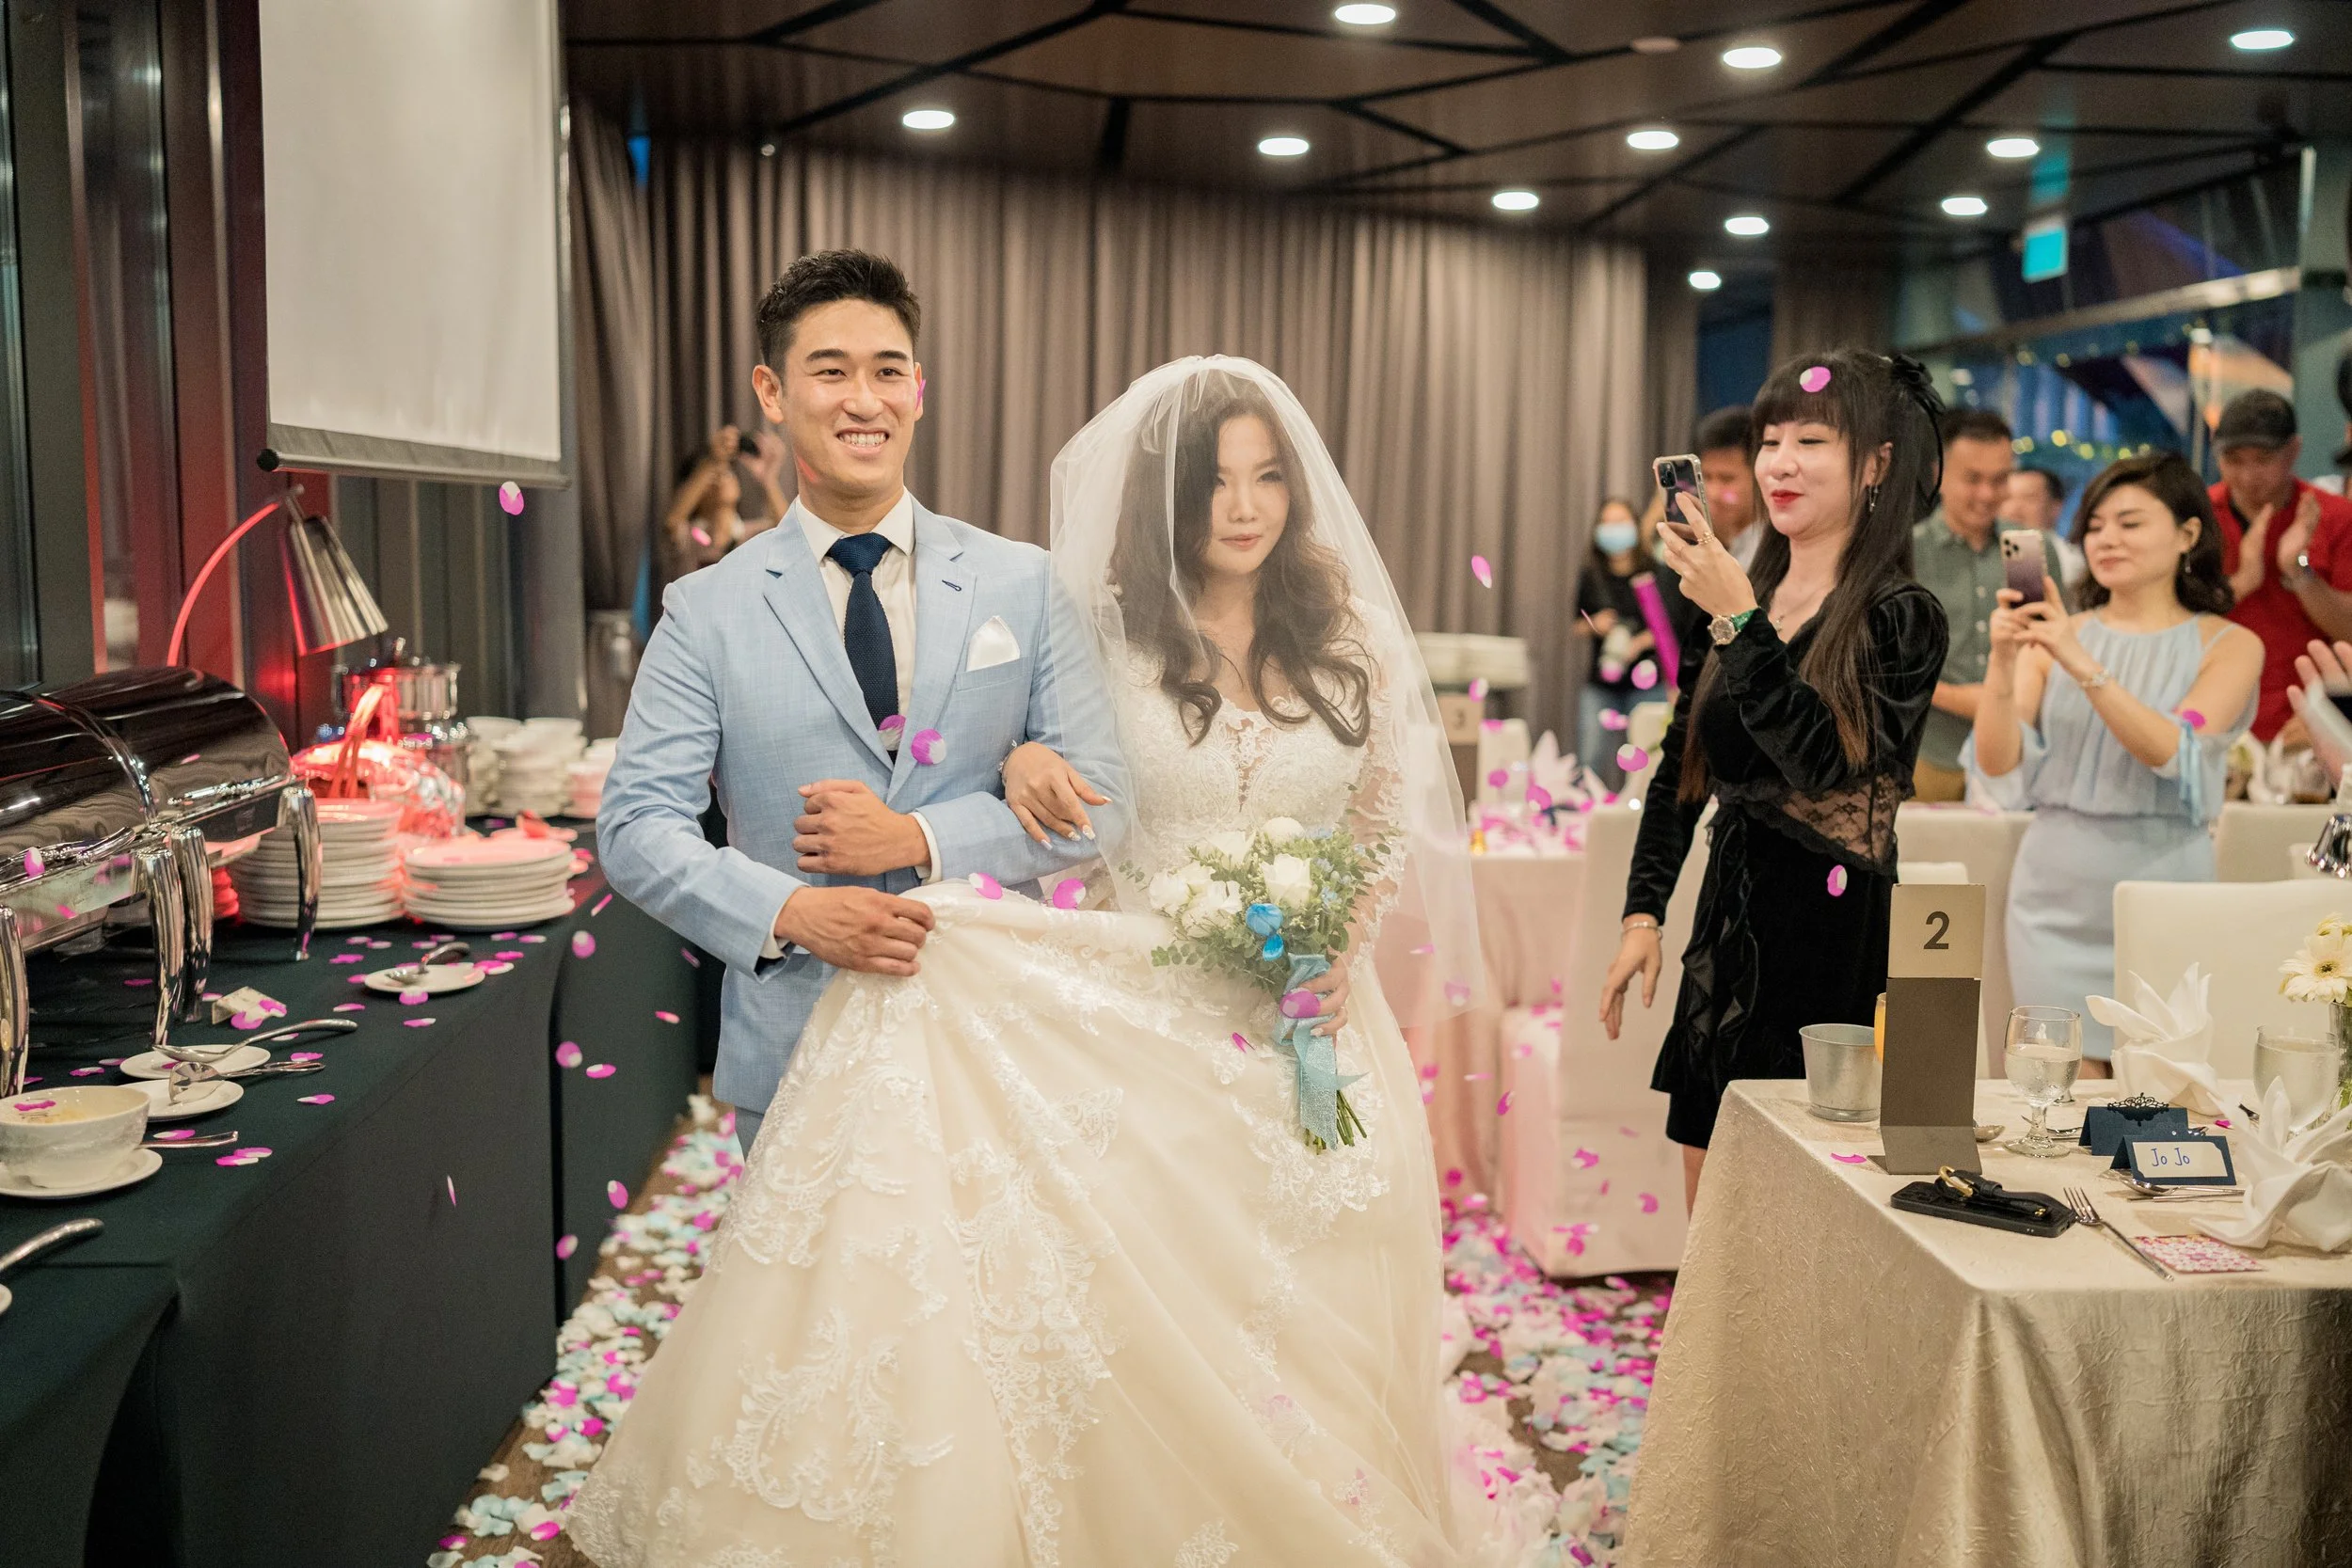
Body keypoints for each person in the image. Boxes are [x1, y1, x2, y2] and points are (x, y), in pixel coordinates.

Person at [570, 356, 1489, 1564]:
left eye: (1268, 478)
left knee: (1310, 1292)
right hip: (1141, 1019)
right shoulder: (1102, 627)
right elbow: (1057, 767)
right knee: (1149, 1313)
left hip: (1312, 1018)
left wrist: (1332, 956)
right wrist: (1015, 769)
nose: (1247, 506)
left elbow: (1377, 826)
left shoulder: (1350, 637)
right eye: (1216, 482)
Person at [1597, 349, 1948, 1208]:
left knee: (1797, 1208)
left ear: (1875, 463)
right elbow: (1685, 768)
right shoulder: (1724, 591)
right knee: (1707, 1191)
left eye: (1812, 441)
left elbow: (1821, 761)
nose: (1779, 463)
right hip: (1729, 926)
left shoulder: (1902, 616)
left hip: (1830, 938)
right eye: (1770, 439)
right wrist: (1643, 912)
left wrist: (1739, 618)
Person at [1970, 451, 2261, 1067]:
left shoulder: (2230, 646)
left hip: (2165, 887)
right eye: (2095, 525)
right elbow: (1998, 766)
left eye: (2129, 522)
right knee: (2057, 1081)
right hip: (2052, 895)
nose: (2106, 538)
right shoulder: (2054, 637)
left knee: (2160, 1079)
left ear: (2187, 533)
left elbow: (2176, 752)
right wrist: (2003, 661)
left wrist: (2081, 660)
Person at [1911, 408, 2066, 801]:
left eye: (1999, 480)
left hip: (2016, 757)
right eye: (1972, 479)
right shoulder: (1910, 554)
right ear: (1939, 474)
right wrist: (1972, 700)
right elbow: (1885, 663)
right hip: (1929, 754)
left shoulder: (2026, 548)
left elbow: (2047, 642)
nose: (1986, 494)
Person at [2209, 388, 2352, 740]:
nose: (2247, 476)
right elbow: (2170, 622)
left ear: (2293, 451)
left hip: (2307, 722)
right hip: (2210, 715)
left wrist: (2298, 569)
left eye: (2262, 460)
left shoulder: (2335, 517)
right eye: (2233, 460)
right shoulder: (2196, 515)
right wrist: (2241, 583)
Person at [1578, 495, 1661, 785]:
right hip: (1601, 683)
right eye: (1607, 523)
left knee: (1649, 763)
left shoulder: (1653, 572)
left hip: (1647, 682)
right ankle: (1586, 822)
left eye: (1620, 522)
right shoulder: (1592, 575)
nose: (1613, 529)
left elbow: (1669, 626)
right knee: (1590, 758)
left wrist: (1638, 643)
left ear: (1635, 527)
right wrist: (1595, 625)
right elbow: (1578, 624)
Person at [660, 421, 788, 582]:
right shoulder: (691, 535)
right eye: (712, 476)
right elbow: (672, 522)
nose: (720, 477)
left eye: (726, 472)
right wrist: (714, 461)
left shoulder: (749, 534)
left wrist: (768, 480)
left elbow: (788, 533)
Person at [2004, 465, 2086, 593]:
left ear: (2055, 507)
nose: (2014, 509)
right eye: (2007, 498)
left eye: (2028, 498)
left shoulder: (2073, 565)